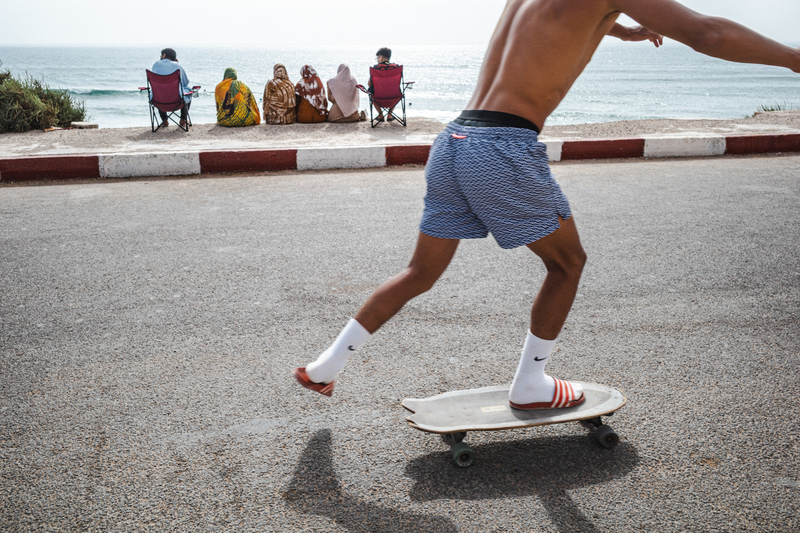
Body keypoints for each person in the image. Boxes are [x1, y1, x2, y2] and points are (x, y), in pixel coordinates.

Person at [295, 0, 800, 408]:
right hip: (502, 146)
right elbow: (707, 32)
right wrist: (794, 59)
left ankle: (324, 367)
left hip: (456, 141)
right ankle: (531, 384)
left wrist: (622, 32)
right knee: (568, 263)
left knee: (420, 273)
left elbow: (564, 24)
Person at [150, 48, 192, 128]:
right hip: (176, 101)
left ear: (164, 55)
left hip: (158, 100)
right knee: (188, 90)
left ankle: (164, 120)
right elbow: (185, 83)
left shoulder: (155, 65)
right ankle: (183, 118)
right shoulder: (177, 66)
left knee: (159, 90)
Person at [368, 47, 400, 122]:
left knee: (370, 92)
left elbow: (369, 84)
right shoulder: (396, 68)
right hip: (394, 98)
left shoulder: (376, 68)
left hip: (378, 99)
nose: (377, 60)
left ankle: (380, 115)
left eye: (377, 58)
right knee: (395, 90)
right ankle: (389, 115)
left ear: (381, 58)